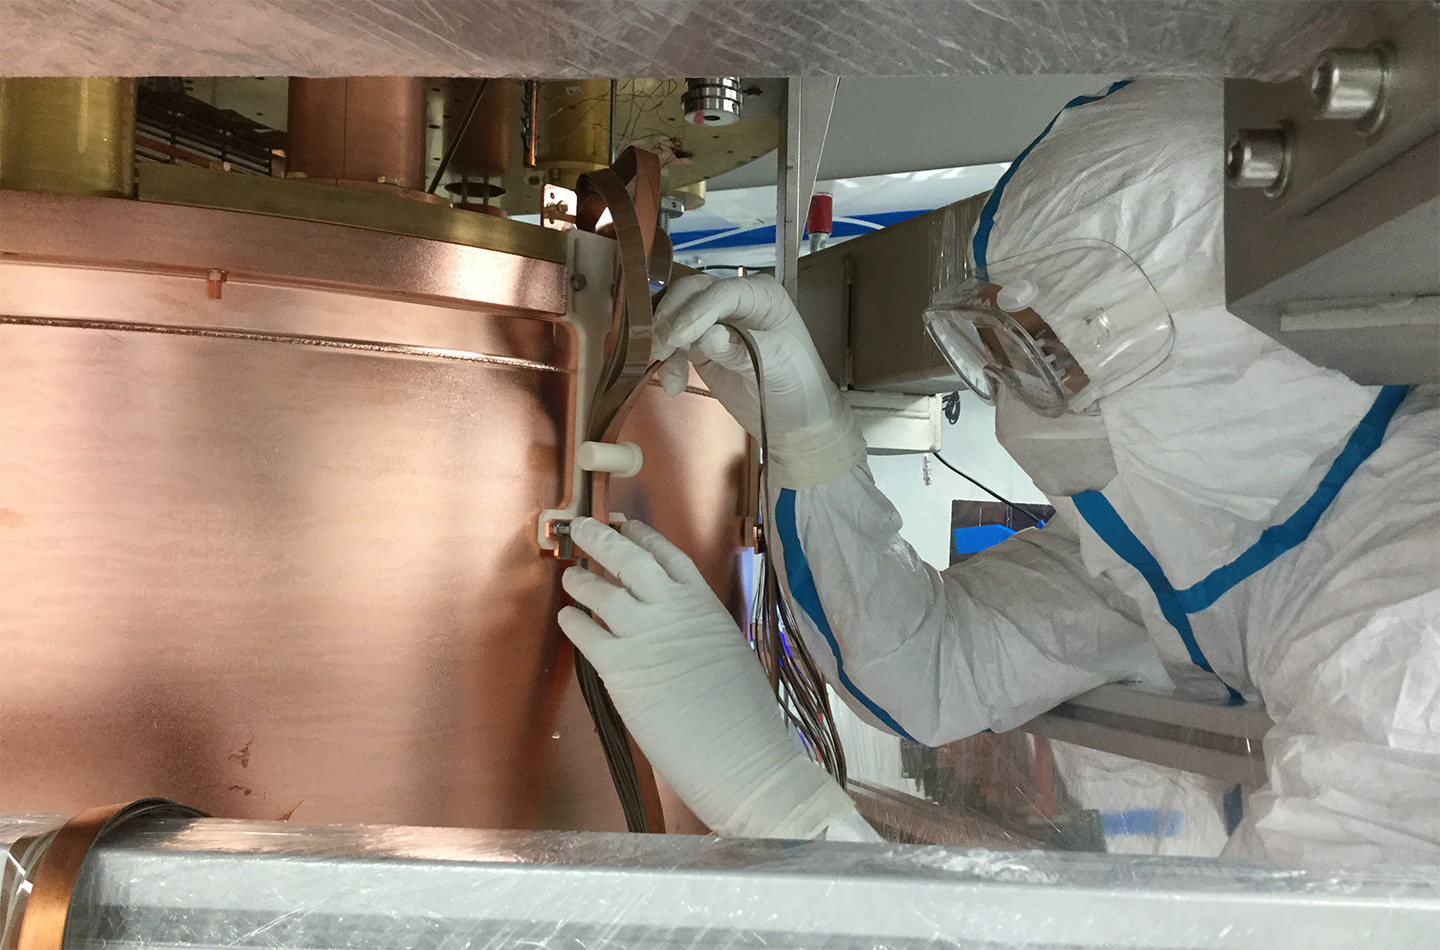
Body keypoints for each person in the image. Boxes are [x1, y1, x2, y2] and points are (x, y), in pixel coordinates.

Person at [558, 78, 1440, 865]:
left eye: (1043, 358)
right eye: (991, 347)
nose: (1014, 420)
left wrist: (778, 803)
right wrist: (812, 440)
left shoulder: (1410, 630)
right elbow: (929, 665)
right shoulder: (1194, 539)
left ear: (1220, 364)